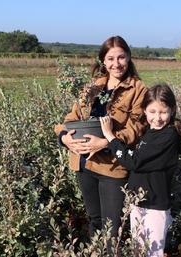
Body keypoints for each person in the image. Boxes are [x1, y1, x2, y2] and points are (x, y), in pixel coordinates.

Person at [54, 35, 147, 238]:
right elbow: (72, 117)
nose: (116, 64)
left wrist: (105, 143)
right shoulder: (93, 87)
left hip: (112, 166)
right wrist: (64, 137)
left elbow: (137, 128)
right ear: (103, 61)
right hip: (84, 162)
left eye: (121, 57)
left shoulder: (138, 90)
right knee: (95, 220)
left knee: (111, 227)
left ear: (129, 57)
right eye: (111, 59)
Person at [100, 83, 181, 257]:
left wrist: (110, 137)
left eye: (163, 112)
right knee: (139, 249)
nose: (158, 118)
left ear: (172, 110)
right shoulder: (150, 132)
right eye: (152, 112)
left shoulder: (168, 136)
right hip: (139, 201)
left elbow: (134, 162)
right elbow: (138, 155)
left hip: (154, 205)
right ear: (145, 111)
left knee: (152, 252)